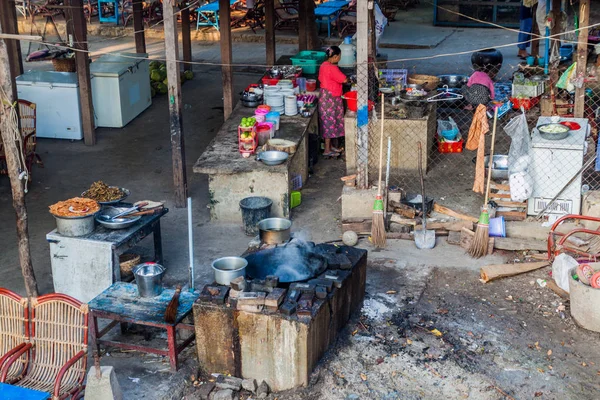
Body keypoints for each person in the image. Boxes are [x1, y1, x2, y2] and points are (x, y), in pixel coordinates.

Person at [318, 46, 350, 156]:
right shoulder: (332, 68)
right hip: (330, 98)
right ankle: (327, 150)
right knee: (329, 123)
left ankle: (330, 147)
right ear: (335, 57)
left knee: (329, 122)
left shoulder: (323, 65)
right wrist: (350, 79)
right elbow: (344, 79)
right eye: (340, 56)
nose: (340, 58)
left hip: (326, 96)